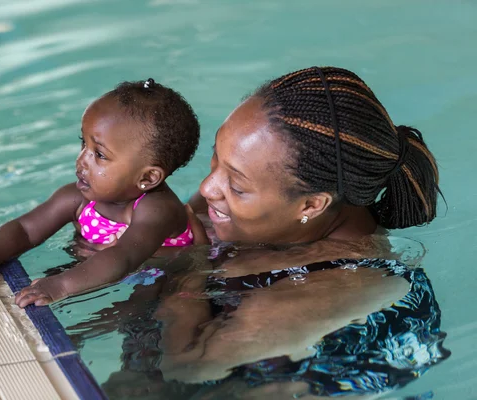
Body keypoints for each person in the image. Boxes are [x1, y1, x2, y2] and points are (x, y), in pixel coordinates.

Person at [69, 66, 448, 398]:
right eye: (216, 158)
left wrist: (191, 270)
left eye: (236, 185)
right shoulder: (263, 197)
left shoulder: (340, 283)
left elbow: (189, 365)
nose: (206, 189)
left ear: (312, 205)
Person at [0, 78, 200, 307]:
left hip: (165, 282)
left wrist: (60, 287)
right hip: (93, 271)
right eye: (83, 143)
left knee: (142, 312)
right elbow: (25, 230)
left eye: (99, 154)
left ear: (147, 177)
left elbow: (124, 258)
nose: (82, 159)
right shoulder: (76, 198)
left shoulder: (157, 209)